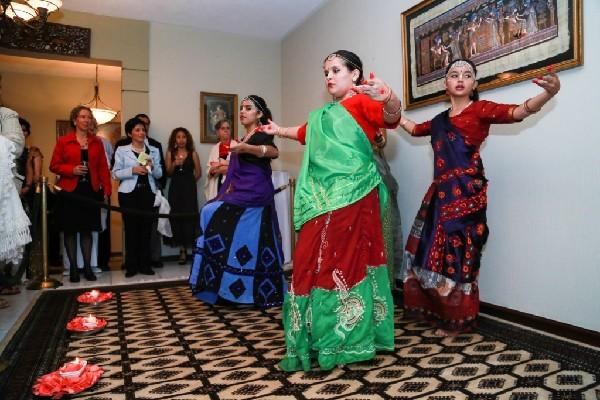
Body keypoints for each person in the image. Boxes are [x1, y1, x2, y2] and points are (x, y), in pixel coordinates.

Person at [397, 58, 560, 337]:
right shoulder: (438, 122)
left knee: (461, 255)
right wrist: (389, 108)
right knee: (430, 252)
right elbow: (412, 128)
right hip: (440, 196)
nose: (460, 78)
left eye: (467, 75)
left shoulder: (481, 110)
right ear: (445, 84)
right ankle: (438, 313)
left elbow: (518, 112)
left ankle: (458, 321)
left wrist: (549, 93)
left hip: (468, 197)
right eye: (453, 75)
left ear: (474, 84)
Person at [261, 50, 401, 371]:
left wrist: (389, 96)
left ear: (355, 75)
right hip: (321, 198)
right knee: (313, 260)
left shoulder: (362, 102)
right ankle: (316, 336)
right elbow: (304, 133)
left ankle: (345, 341)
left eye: (336, 69)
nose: (329, 76)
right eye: (326, 71)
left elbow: (391, 118)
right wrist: (278, 130)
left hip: (353, 195)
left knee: (342, 263)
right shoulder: (324, 114)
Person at [189, 95, 286, 308]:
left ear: (259, 114)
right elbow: (242, 168)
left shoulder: (260, 134)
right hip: (243, 192)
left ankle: (236, 289)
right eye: (241, 108)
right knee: (208, 212)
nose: (242, 111)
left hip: (254, 195)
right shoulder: (245, 136)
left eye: (248, 108)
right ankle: (226, 287)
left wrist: (246, 149)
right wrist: (223, 165)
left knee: (212, 213)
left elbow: (273, 152)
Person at [50, 106, 111, 282]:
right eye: (82, 117)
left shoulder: (97, 142)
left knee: (87, 230)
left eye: (89, 117)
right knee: (70, 231)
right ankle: (74, 269)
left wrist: (106, 189)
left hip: (90, 191)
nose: (86, 120)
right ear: (75, 120)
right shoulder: (64, 141)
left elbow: (102, 169)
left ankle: (87, 268)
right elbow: (54, 165)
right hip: (69, 191)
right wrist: (72, 170)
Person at [112, 117, 163, 277]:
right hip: (128, 194)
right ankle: (131, 266)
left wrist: (153, 168)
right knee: (131, 230)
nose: (141, 132)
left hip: (148, 193)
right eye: (137, 130)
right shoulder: (122, 150)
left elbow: (160, 174)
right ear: (130, 133)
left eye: (143, 130)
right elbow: (114, 173)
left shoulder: (152, 150)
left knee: (146, 229)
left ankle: (145, 265)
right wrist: (132, 170)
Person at [165, 127, 201, 264]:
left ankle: (190, 249)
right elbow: (168, 172)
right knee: (177, 217)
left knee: (189, 218)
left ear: (187, 139)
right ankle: (182, 250)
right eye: (178, 137)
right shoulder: (170, 153)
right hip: (175, 189)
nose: (181, 140)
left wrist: (189, 183)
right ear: (175, 139)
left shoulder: (193, 153)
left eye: (184, 137)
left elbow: (198, 173)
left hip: (189, 190)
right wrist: (174, 164)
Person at [373, 129, 403, 288]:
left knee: (385, 233)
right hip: (352, 185)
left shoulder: (371, 110)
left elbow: (381, 141)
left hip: (378, 178)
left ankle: (384, 286)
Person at [204, 119, 238, 201]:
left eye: (228, 128)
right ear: (218, 132)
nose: (226, 130)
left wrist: (224, 167)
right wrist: (212, 171)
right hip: (218, 183)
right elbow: (209, 169)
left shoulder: (237, 146)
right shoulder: (214, 148)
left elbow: (241, 165)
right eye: (223, 128)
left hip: (233, 183)